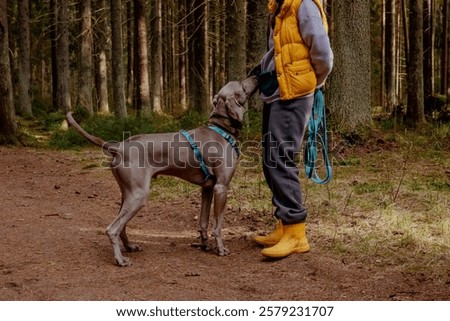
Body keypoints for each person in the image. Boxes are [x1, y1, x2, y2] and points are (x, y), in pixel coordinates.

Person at [254, 0, 333, 258]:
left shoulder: (304, 5)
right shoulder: (280, 7)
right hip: (276, 92)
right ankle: (283, 224)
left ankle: (296, 232)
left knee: (281, 158)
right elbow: (276, 51)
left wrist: (311, 83)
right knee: (270, 159)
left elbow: (323, 54)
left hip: (295, 93)